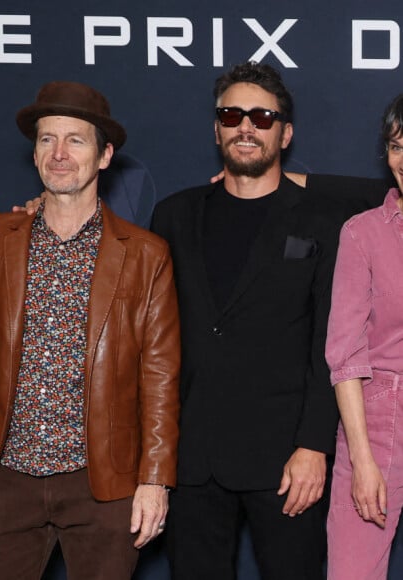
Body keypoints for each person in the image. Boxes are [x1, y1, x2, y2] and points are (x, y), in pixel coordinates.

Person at [0, 80, 180, 580]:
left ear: (105, 155)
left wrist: (155, 480)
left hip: (105, 481)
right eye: (47, 140)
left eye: (76, 140)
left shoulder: (146, 254)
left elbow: (160, 375)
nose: (59, 154)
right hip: (3, 479)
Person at [150, 61, 344, 580]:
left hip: (285, 462)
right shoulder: (173, 215)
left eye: (262, 117)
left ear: (286, 133)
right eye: (232, 114)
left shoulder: (323, 221)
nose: (246, 127)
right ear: (216, 128)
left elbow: (329, 344)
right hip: (192, 459)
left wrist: (314, 446)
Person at [325, 94, 403, 580]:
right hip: (376, 422)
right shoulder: (363, 233)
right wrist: (362, 460)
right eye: (397, 146)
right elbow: (346, 356)